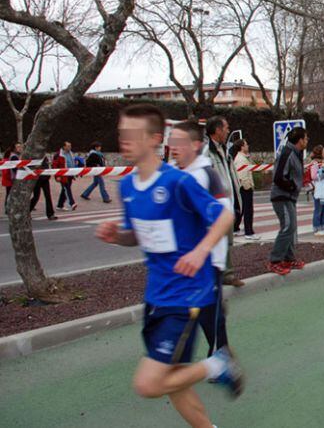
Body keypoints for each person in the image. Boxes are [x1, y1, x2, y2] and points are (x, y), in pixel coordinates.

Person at [95, 104, 243, 428]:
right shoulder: (128, 186)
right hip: (156, 296)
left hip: (187, 296)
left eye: (132, 134)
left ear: (154, 139)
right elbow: (137, 236)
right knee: (175, 380)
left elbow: (225, 216)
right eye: (122, 133)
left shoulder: (178, 182)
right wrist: (116, 237)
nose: (124, 140)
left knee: (149, 383)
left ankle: (217, 364)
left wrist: (201, 251)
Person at [168, 120, 234, 358]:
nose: (172, 147)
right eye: (171, 141)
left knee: (208, 310)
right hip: (181, 258)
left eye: (179, 142)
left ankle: (222, 355)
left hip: (207, 259)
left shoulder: (207, 175)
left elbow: (225, 215)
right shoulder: (174, 174)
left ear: (196, 145)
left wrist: (205, 250)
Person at [205, 116, 243, 287]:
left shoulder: (223, 151)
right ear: (217, 130)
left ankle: (226, 272)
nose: (228, 131)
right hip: (216, 204)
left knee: (227, 240)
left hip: (227, 202)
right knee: (218, 240)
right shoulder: (207, 152)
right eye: (226, 128)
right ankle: (219, 274)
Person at [269, 127, 308, 275]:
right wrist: (292, 186)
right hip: (282, 196)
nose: (307, 141)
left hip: (289, 196)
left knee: (291, 227)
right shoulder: (287, 153)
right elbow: (278, 176)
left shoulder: (296, 154)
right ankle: (275, 260)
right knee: (287, 227)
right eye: (306, 138)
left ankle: (289, 258)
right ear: (300, 140)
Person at [231, 139, 259, 241]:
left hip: (243, 187)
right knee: (248, 210)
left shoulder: (242, 158)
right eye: (246, 144)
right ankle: (249, 232)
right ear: (242, 147)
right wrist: (248, 186)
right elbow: (242, 175)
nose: (248, 146)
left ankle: (236, 229)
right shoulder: (241, 159)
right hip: (245, 188)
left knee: (242, 209)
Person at [29, 153, 57, 220]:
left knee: (48, 196)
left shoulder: (44, 156)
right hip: (37, 179)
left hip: (45, 178)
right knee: (36, 197)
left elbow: (47, 166)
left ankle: (50, 214)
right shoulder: (34, 156)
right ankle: (27, 211)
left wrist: (48, 175)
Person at [53, 141, 77, 211]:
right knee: (67, 189)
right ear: (64, 147)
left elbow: (72, 163)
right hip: (63, 175)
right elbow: (55, 166)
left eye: (70, 146)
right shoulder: (58, 155)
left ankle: (60, 205)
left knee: (64, 190)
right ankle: (72, 203)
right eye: (68, 146)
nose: (70, 147)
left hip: (70, 174)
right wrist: (57, 176)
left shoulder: (71, 153)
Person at [2, 142, 22, 207]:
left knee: (10, 193)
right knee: (11, 193)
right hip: (12, 178)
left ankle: (8, 206)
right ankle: (9, 207)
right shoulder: (14, 156)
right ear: (14, 149)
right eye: (18, 147)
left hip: (10, 178)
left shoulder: (13, 156)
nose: (20, 148)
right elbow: (15, 168)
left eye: (20, 147)